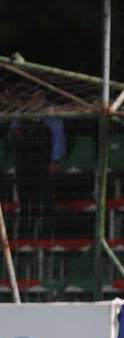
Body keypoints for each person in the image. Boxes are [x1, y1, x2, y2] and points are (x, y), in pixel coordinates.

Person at [7, 91, 65, 239]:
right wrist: (15, 133)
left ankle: (47, 234)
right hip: (24, 162)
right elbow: (11, 135)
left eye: (36, 97)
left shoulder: (51, 116)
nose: (33, 100)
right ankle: (24, 234)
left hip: (43, 162)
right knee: (25, 200)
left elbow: (58, 138)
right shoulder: (21, 115)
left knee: (45, 199)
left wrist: (55, 160)